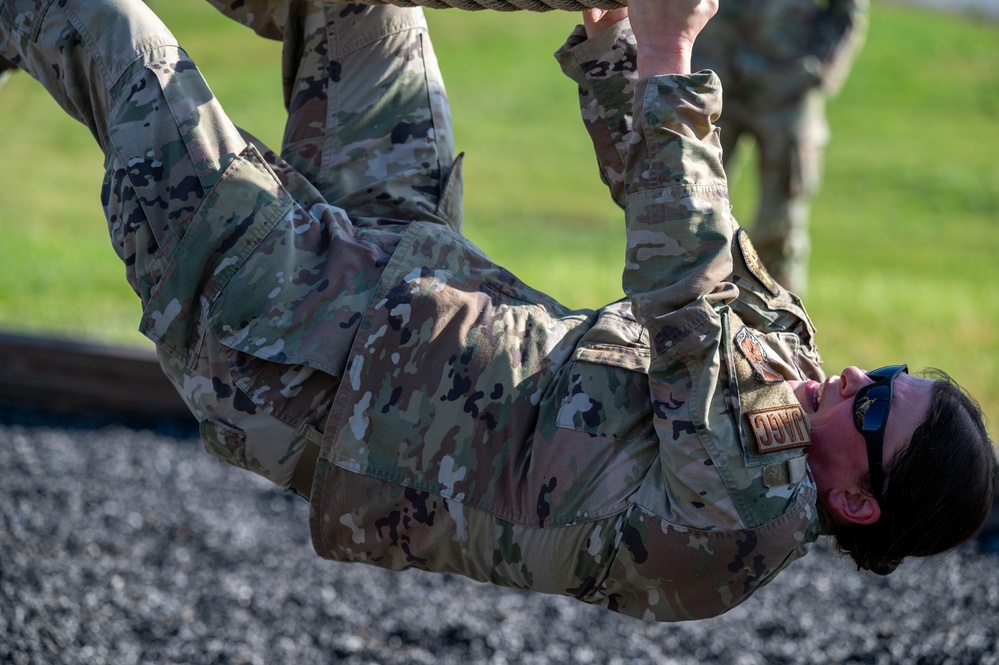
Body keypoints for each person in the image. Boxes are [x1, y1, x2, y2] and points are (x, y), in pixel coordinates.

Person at [0, 0, 994, 623]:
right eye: (891, 377)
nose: (863, 380)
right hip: (404, 261)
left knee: (101, 26)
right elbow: (671, 204)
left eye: (876, 413)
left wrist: (670, 51)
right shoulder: (792, 368)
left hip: (297, 357)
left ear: (861, 499)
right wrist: (617, 50)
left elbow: (680, 292)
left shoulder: (741, 524)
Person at [691, 0, 869, 294]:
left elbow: (848, 12)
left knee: (781, 227)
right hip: (713, 76)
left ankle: (780, 328)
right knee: (695, 212)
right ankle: (693, 322)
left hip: (787, 86)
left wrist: (821, 68)